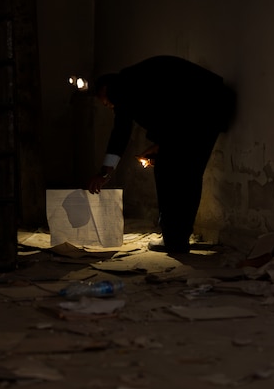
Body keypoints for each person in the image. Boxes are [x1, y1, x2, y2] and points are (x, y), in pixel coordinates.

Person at [87, 55, 236, 254]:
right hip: (210, 108)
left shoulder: (123, 87)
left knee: (169, 174)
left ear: (109, 91)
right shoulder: (139, 79)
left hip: (199, 111)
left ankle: (174, 239)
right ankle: (178, 239)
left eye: (107, 103)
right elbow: (171, 108)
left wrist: (104, 172)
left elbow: (121, 131)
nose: (111, 107)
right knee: (189, 175)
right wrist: (161, 145)